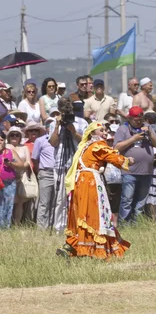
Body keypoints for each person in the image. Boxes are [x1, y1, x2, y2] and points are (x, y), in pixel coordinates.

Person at [55, 122, 133, 260]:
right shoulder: (98, 145)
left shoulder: (84, 146)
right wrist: (128, 161)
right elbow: (114, 158)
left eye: (105, 130)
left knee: (82, 214)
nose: (105, 133)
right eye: (101, 130)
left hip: (80, 182)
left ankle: (75, 246)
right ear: (92, 133)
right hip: (90, 182)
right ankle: (92, 249)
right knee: (95, 214)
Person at [114, 106, 156, 223]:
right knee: (127, 200)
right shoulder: (123, 129)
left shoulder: (147, 127)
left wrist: (150, 133)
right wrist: (133, 139)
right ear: (130, 118)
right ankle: (124, 225)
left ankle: (137, 225)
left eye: (141, 119)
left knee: (140, 202)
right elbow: (116, 147)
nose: (139, 122)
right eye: (136, 120)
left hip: (146, 171)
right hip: (129, 171)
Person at [49, 98, 89, 232]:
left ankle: (77, 225)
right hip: (60, 163)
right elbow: (53, 142)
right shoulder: (55, 122)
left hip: (76, 162)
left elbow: (85, 141)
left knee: (77, 197)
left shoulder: (81, 122)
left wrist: (73, 131)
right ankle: (59, 227)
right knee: (60, 198)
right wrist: (57, 126)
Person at [32, 119, 57, 230]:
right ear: (46, 128)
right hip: (46, 172)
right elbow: (35, 159)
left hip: (58, 172)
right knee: (44, 202)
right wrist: (40, 172)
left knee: (56, 201)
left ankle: (53, 226)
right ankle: (42, 228)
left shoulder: (61, 140)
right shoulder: (40, 140)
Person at [7, 126, 32, 226]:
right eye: (12, 134)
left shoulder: (24, 147)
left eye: (17, 135)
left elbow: (28, 162)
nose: (14, 137)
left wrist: (21, 167)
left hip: (21, 177)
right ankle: (7, 223)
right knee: (9, 200)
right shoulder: (5, 146)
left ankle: (17, 224)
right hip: (8, 177)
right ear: (8, 136)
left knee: (20, 201)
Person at [0, 131, 25, 228]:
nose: (0, 142)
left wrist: (11, 164)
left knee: (8, 204)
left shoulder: (10, 152)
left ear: (5, 141)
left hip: (9, 182)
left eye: (1, 140)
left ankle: (5, 226)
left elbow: (21, 165)